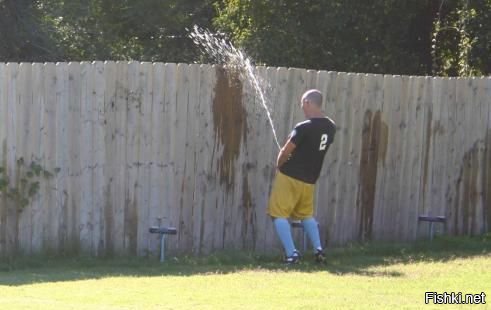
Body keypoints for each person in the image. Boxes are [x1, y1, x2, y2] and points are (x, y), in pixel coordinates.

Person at [267, 89, 336, 264]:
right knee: (306, 215)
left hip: (290, 176)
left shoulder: (303, 127)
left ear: (308, 102)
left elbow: (286, 151)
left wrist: (279, 165)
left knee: (278, 214)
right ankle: (319, 250)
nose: (302, 109)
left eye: (302, 104)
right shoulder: (331, 127)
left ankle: (292, 254)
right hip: (310, 180)